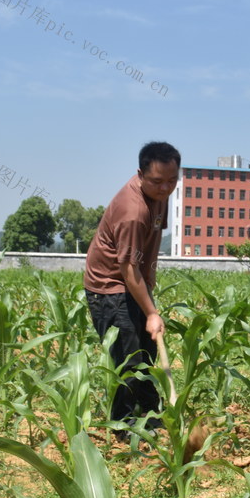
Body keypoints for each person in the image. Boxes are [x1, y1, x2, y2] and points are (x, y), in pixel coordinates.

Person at [84, 141, 181, 434]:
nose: (165, 188)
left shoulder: (159, 196)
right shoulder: (132, 211)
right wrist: (151, 312)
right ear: (140, 174)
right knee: (128, 358)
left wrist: (148, 293)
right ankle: (123, 427)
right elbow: (127, 268)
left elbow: (147, 252)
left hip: (134, 279)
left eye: (172, 181)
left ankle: (152, 416)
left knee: (148, 352)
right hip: (108, 285)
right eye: (157, 182)